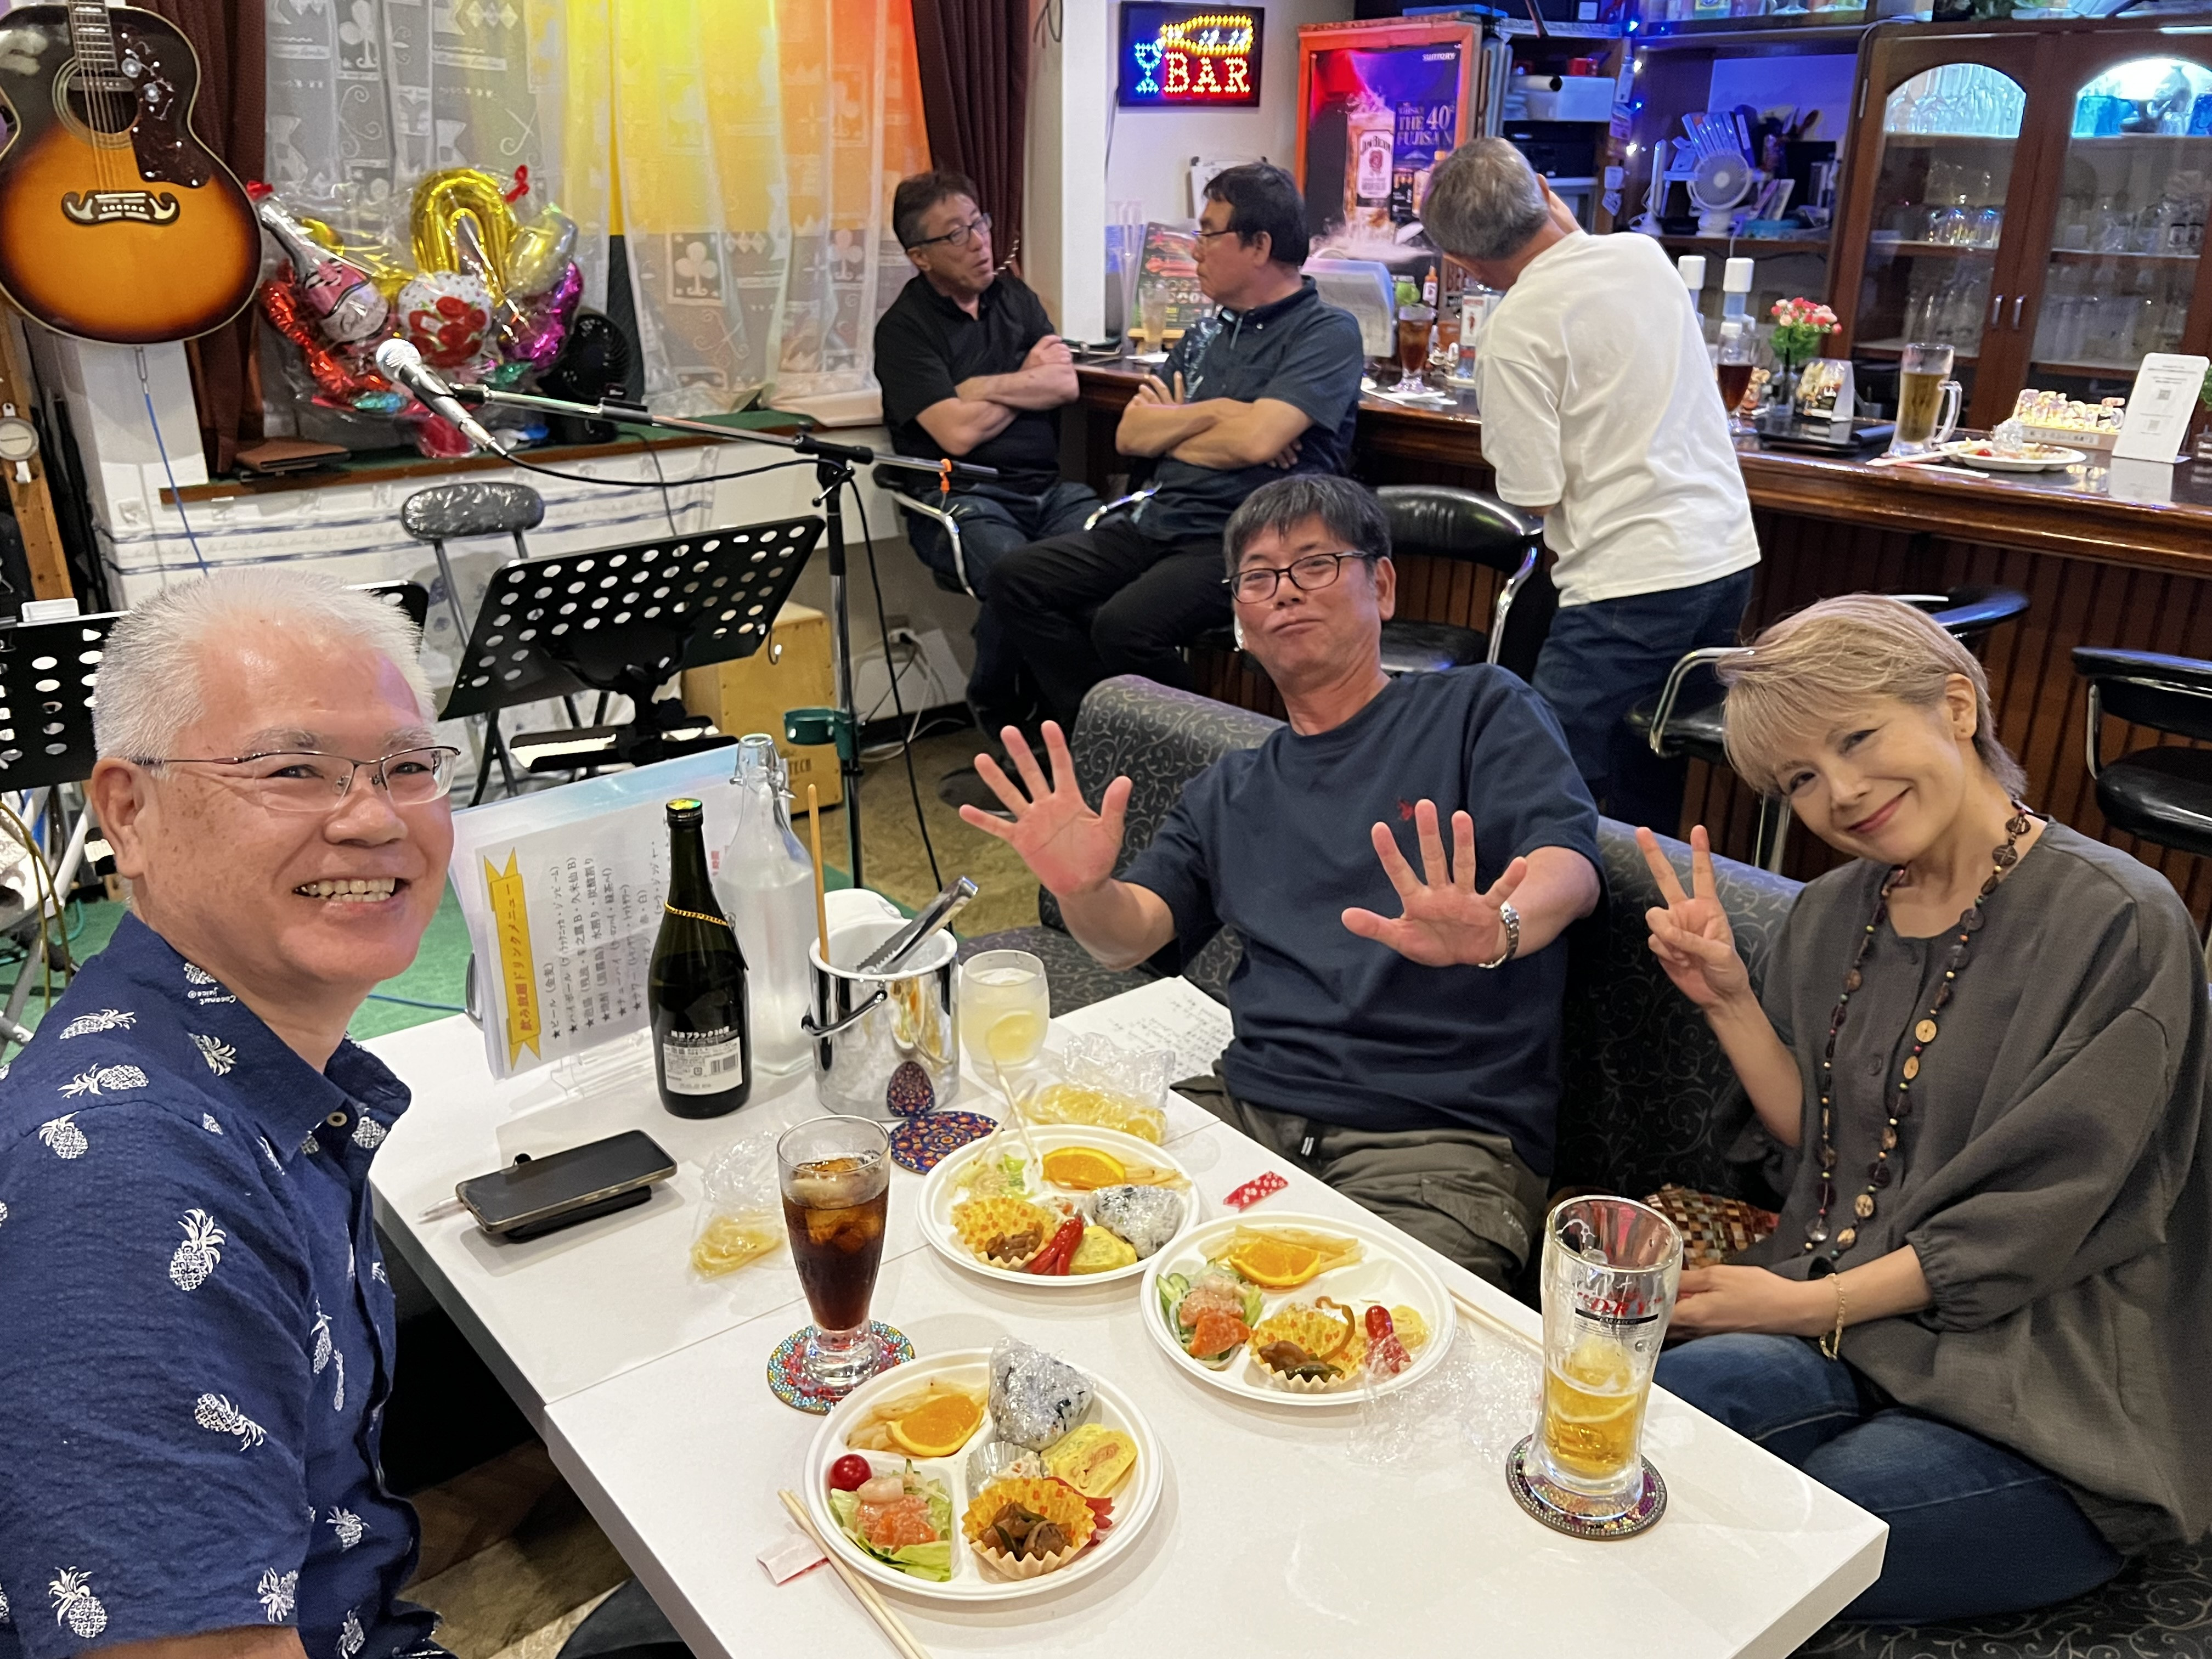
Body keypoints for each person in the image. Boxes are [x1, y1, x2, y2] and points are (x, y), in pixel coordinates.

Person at [1635, 594, 2210, 1624]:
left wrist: (1796, 1306)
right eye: (1799, 778)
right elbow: (1823, 1144)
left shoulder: (2119, 919)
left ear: (1954, 705)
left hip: (2047, 1385)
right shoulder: (1833, 911)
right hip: (1854, 1329)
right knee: (1629, 1441)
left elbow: (2036, 1220)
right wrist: (1727, 998)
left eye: (1857, 738)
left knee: (1769, 1544)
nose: (1841, 792)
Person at [963, 475, 1602, 1288]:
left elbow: (1569, 866)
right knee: (1040, 1238)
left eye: (1315, 564)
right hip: (1248, 1112)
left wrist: (1498, 927)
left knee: (1360, 1337)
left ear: (1383, 585)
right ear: (1240, 618)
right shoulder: (1231, 788)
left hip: (1438, 1142)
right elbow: (1130, 936)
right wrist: (1084, 889)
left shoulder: (1478, 709)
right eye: (1259, 577)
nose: (1286, 592)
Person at [0, 572, 461, 1659]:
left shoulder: (229, 1064)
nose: (374, 817)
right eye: (291, 770)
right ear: (129, 812)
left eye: (407, 766)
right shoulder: (125, 1181)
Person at [1422, 138, 1760, 833]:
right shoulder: (1642, 257)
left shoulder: (1515, 330)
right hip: (1725, 560)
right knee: (1648, 765)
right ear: (1547, 191)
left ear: (1464, 264)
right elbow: (1577, 260)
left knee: (1539, 783)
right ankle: (1644, 901)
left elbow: (1535, 493)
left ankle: (1535, 903)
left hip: (1630, 582)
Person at [992, 164, 1366, 728]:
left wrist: (1181, 426)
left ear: (1259, 246)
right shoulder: (1205, 333)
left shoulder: (1327, 332)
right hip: (1160, 520)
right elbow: (1132, 436)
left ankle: (1193, 752)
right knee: (1017, 580)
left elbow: (1259, 439)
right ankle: (1093, 733)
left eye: (1209, 233)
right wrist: (1221, 413)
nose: (1195, 250)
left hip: (1246, 539)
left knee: (1124, 627)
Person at [872, 171, 1099, 736]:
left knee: (1113, 558)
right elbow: (956, 436)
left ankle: (1031, 708)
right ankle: (1051, 720)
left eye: (979, 223)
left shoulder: (1014, 297)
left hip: (1046, 491)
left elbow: (1064, 384)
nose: (979, 242)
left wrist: (980, 388)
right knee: (1019, 575)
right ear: (921, 256)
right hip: (962, 499)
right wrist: (1026, 378)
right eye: (956, 234)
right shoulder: (904, 329)